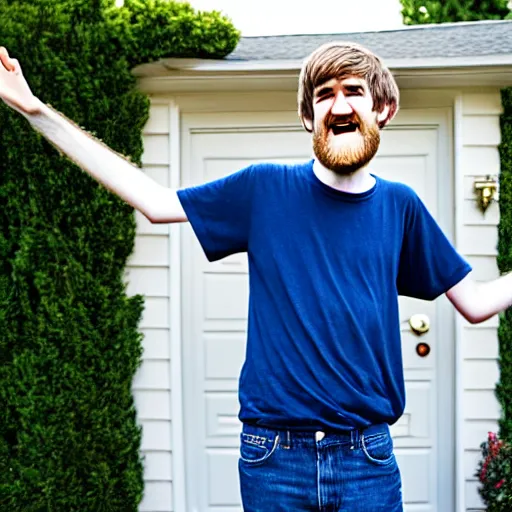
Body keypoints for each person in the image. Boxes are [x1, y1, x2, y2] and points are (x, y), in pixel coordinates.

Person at [0, 41, 510, 512]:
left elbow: (476, 301)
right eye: (324, 95)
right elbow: (155, 204)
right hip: (274, 460)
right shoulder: (264, 189)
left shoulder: (401, 207)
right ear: (308, 117)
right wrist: (34, 108)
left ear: (384, 110)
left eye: (354, 91)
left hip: (367, 460)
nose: (338, 105)